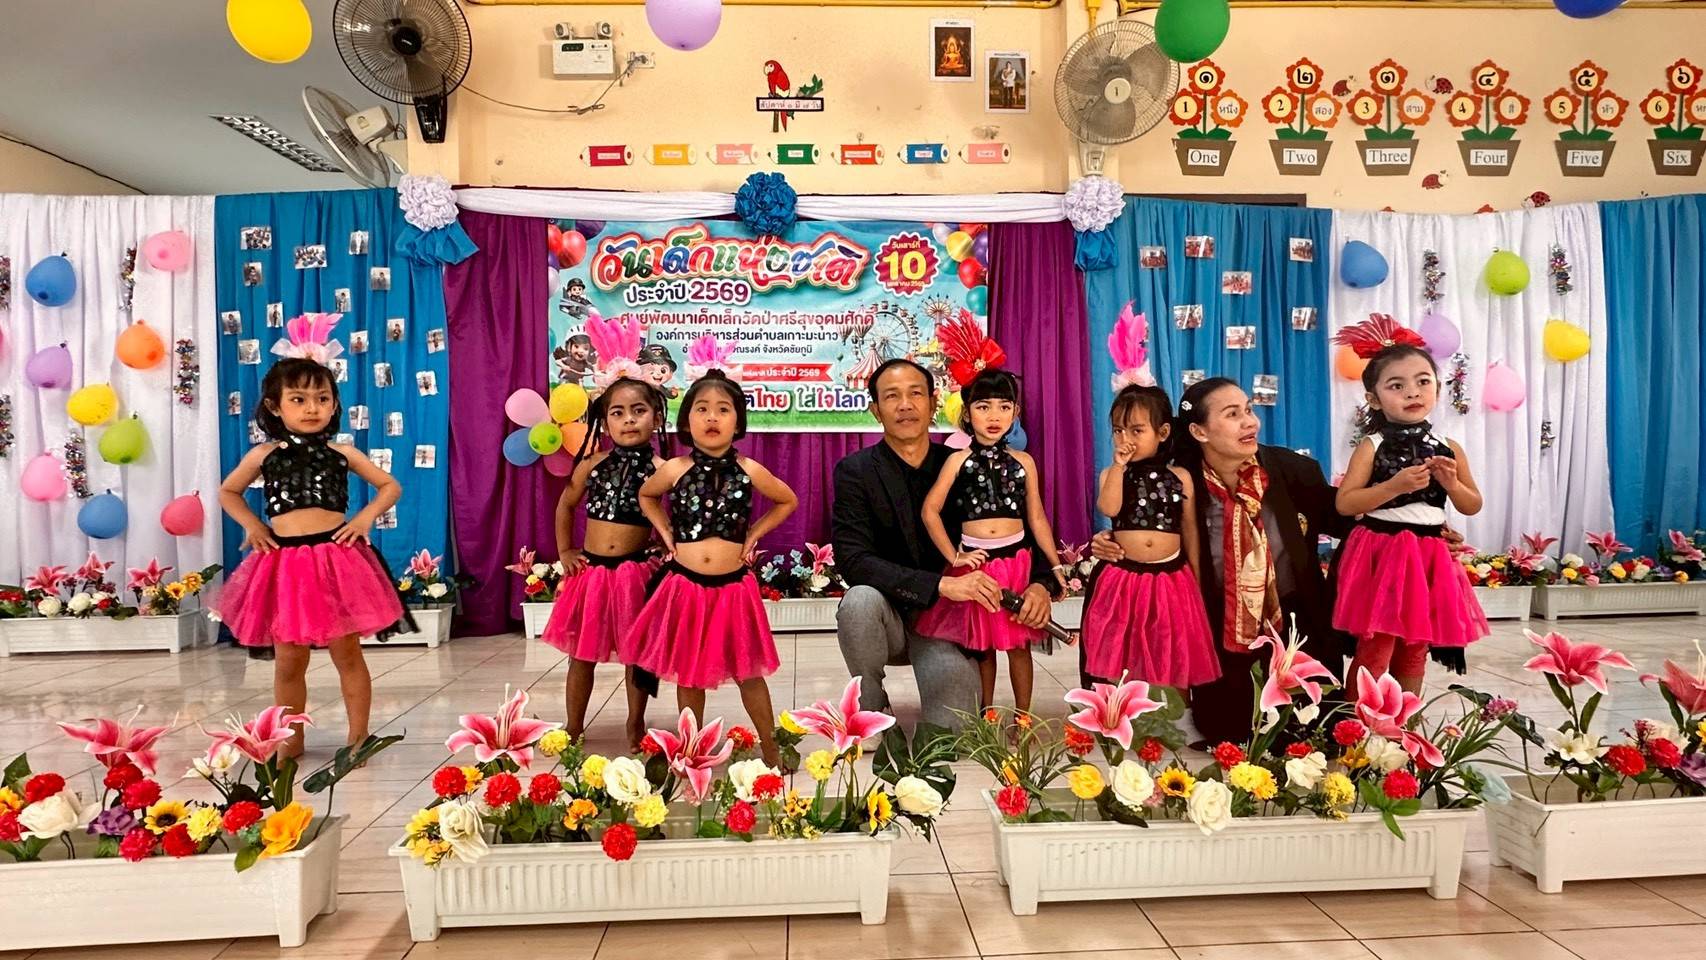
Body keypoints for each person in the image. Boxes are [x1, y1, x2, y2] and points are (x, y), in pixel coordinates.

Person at [217, 326, 409, 759]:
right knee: (289, 659)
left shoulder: (344, 453)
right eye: (299, 400)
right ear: (275, 406)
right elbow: (228, 491)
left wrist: (364, 518)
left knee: (348, 653)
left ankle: (358, 738)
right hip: (285, 565)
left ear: (335, 404)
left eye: (322, 399)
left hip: (336, 561)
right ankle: (291, 739)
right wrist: (253, 526)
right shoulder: (264, 455)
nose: (312, 408)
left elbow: (390, 486)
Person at [833, 359, 1056, 729]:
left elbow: (1023, 527)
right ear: (875, 410)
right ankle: (870, 707)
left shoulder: (961, 463)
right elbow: (853, 559)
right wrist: (940, 584)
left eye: (915, 394)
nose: (906, 405)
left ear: (934, 403)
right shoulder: (855, 471)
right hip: (889, 616)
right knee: (858, 603)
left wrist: (1042, 582)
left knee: (956, 727)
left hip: (950, 622)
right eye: (892, 396)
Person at [1159, 377, 1353, 744]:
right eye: (1233, 415)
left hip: (1295, 624)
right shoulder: (1181, 483)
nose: (1250, 422)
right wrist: (1112, 543)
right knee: (1228, 733)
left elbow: (1346, 520)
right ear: (1199, 432)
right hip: (1225, 626)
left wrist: (1423, 528)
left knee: (1312, 733)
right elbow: (1151, 536)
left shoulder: (1291, 469)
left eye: (1248, 410)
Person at [625, 370, 795, 766]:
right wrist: (665, 530)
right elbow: (646, 496)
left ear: (738, 421)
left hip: (734, 588)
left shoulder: (749, 468)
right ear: (687, 421)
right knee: (689, 673)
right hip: (685, 586)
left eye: (723, 409)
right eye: (702, 409)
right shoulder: (674, 468)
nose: (712, 417)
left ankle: (771, 747)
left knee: (749, 672)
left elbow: (787, 500)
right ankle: (691, 749)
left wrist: (753, 534)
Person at [1332, 317, 1487, 693]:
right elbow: (1346, 502)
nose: (1412, 392)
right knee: (1377, 645)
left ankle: (1405, 720)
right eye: (1396, 385)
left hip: (1428, 553)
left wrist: (1452, 484)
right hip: (1382, 551)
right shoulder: (1371, 445)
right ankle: (1359, 721)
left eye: (1423, 381)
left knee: (1416, 647)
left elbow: (1472, 504)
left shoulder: (1448, 446)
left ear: (1438, 386)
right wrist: (1393, 486)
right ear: (1373, 398)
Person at [916, 369, 1062, 713]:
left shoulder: (1025, 462)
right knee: (983, 648)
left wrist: (1055, 566)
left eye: (1004, 407)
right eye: (983, 407)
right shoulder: (957, 460)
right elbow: (929, 511)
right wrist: (954, 557)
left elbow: (1037, 518)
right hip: (978, 568)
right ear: (967, 413)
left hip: (1018, 565)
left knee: (1018, 646)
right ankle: (987, 716)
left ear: (1016, 412)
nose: (994, 416)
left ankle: (1023, 719)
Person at [543, 377, 669, 749]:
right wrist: (565, 551)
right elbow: (565, 505)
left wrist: (666, 547)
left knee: (637, 655)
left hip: (636, 573)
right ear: (605, 420)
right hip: (592, 573)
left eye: (638, 411)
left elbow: (676, 517)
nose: (628, 419)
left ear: (656, 419)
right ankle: (573, 725)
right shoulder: (592, 463)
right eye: (618, 412)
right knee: (581, 654)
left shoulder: (663, 468)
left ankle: (635, 723)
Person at [1081, 384, 1218, 690]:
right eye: (1118, 431)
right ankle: (1126, 707)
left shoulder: (1180, 476)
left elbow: (1190, 531)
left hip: (1171, 577)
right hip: (1124, 578)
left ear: (1163, 432)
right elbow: (1108, 507)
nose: (1125, 439)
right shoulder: (1111, 474)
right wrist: (1118, 467)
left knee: (1171, 646)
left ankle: (1176, 713)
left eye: (1137, 430)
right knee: (1123, 648)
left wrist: (1197, 579)